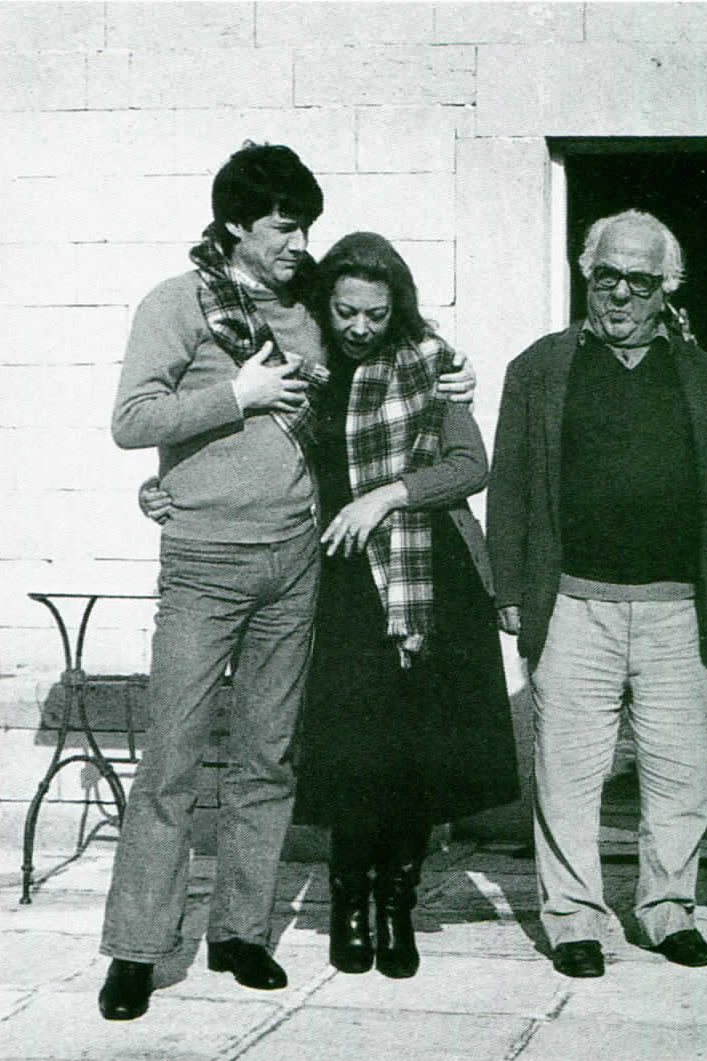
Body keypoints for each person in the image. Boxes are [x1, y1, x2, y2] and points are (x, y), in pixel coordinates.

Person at [100, 143, 475, 1022]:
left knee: (267, 759)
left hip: (297, 561)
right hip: (204, 561)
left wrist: (454, 370)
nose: (299, 244)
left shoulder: (307, 309)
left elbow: (387, 350)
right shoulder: (178, 302)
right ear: (236, 224)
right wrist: (235, 395)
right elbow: (132, 419)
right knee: (172, 760)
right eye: (283, 227)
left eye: (305, 227)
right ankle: (136, 950)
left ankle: (239, 931)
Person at [488, 209, 707, 980]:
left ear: (667, 288)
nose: (622, 294)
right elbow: (509, 485)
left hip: (678, 608)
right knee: (567, 771)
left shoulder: (704, 373)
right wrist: (510, 585)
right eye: (608, 276)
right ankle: (574, 917)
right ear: (587, 274)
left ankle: (667, 909)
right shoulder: (540, 367)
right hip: (574, 603)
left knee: (679, 771)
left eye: (641, 279)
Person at [292, 233, 517, 980]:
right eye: (346, 311)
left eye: (376, 313)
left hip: (429, 577)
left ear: (399, 308)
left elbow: (471, 465)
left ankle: (396, 903)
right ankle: (349, 904)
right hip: (343, 580)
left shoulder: (429, 362)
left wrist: (386, 496)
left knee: (417, 754)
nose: (360, 326)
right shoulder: (302, 369)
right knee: (357, 751)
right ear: (325, 304)